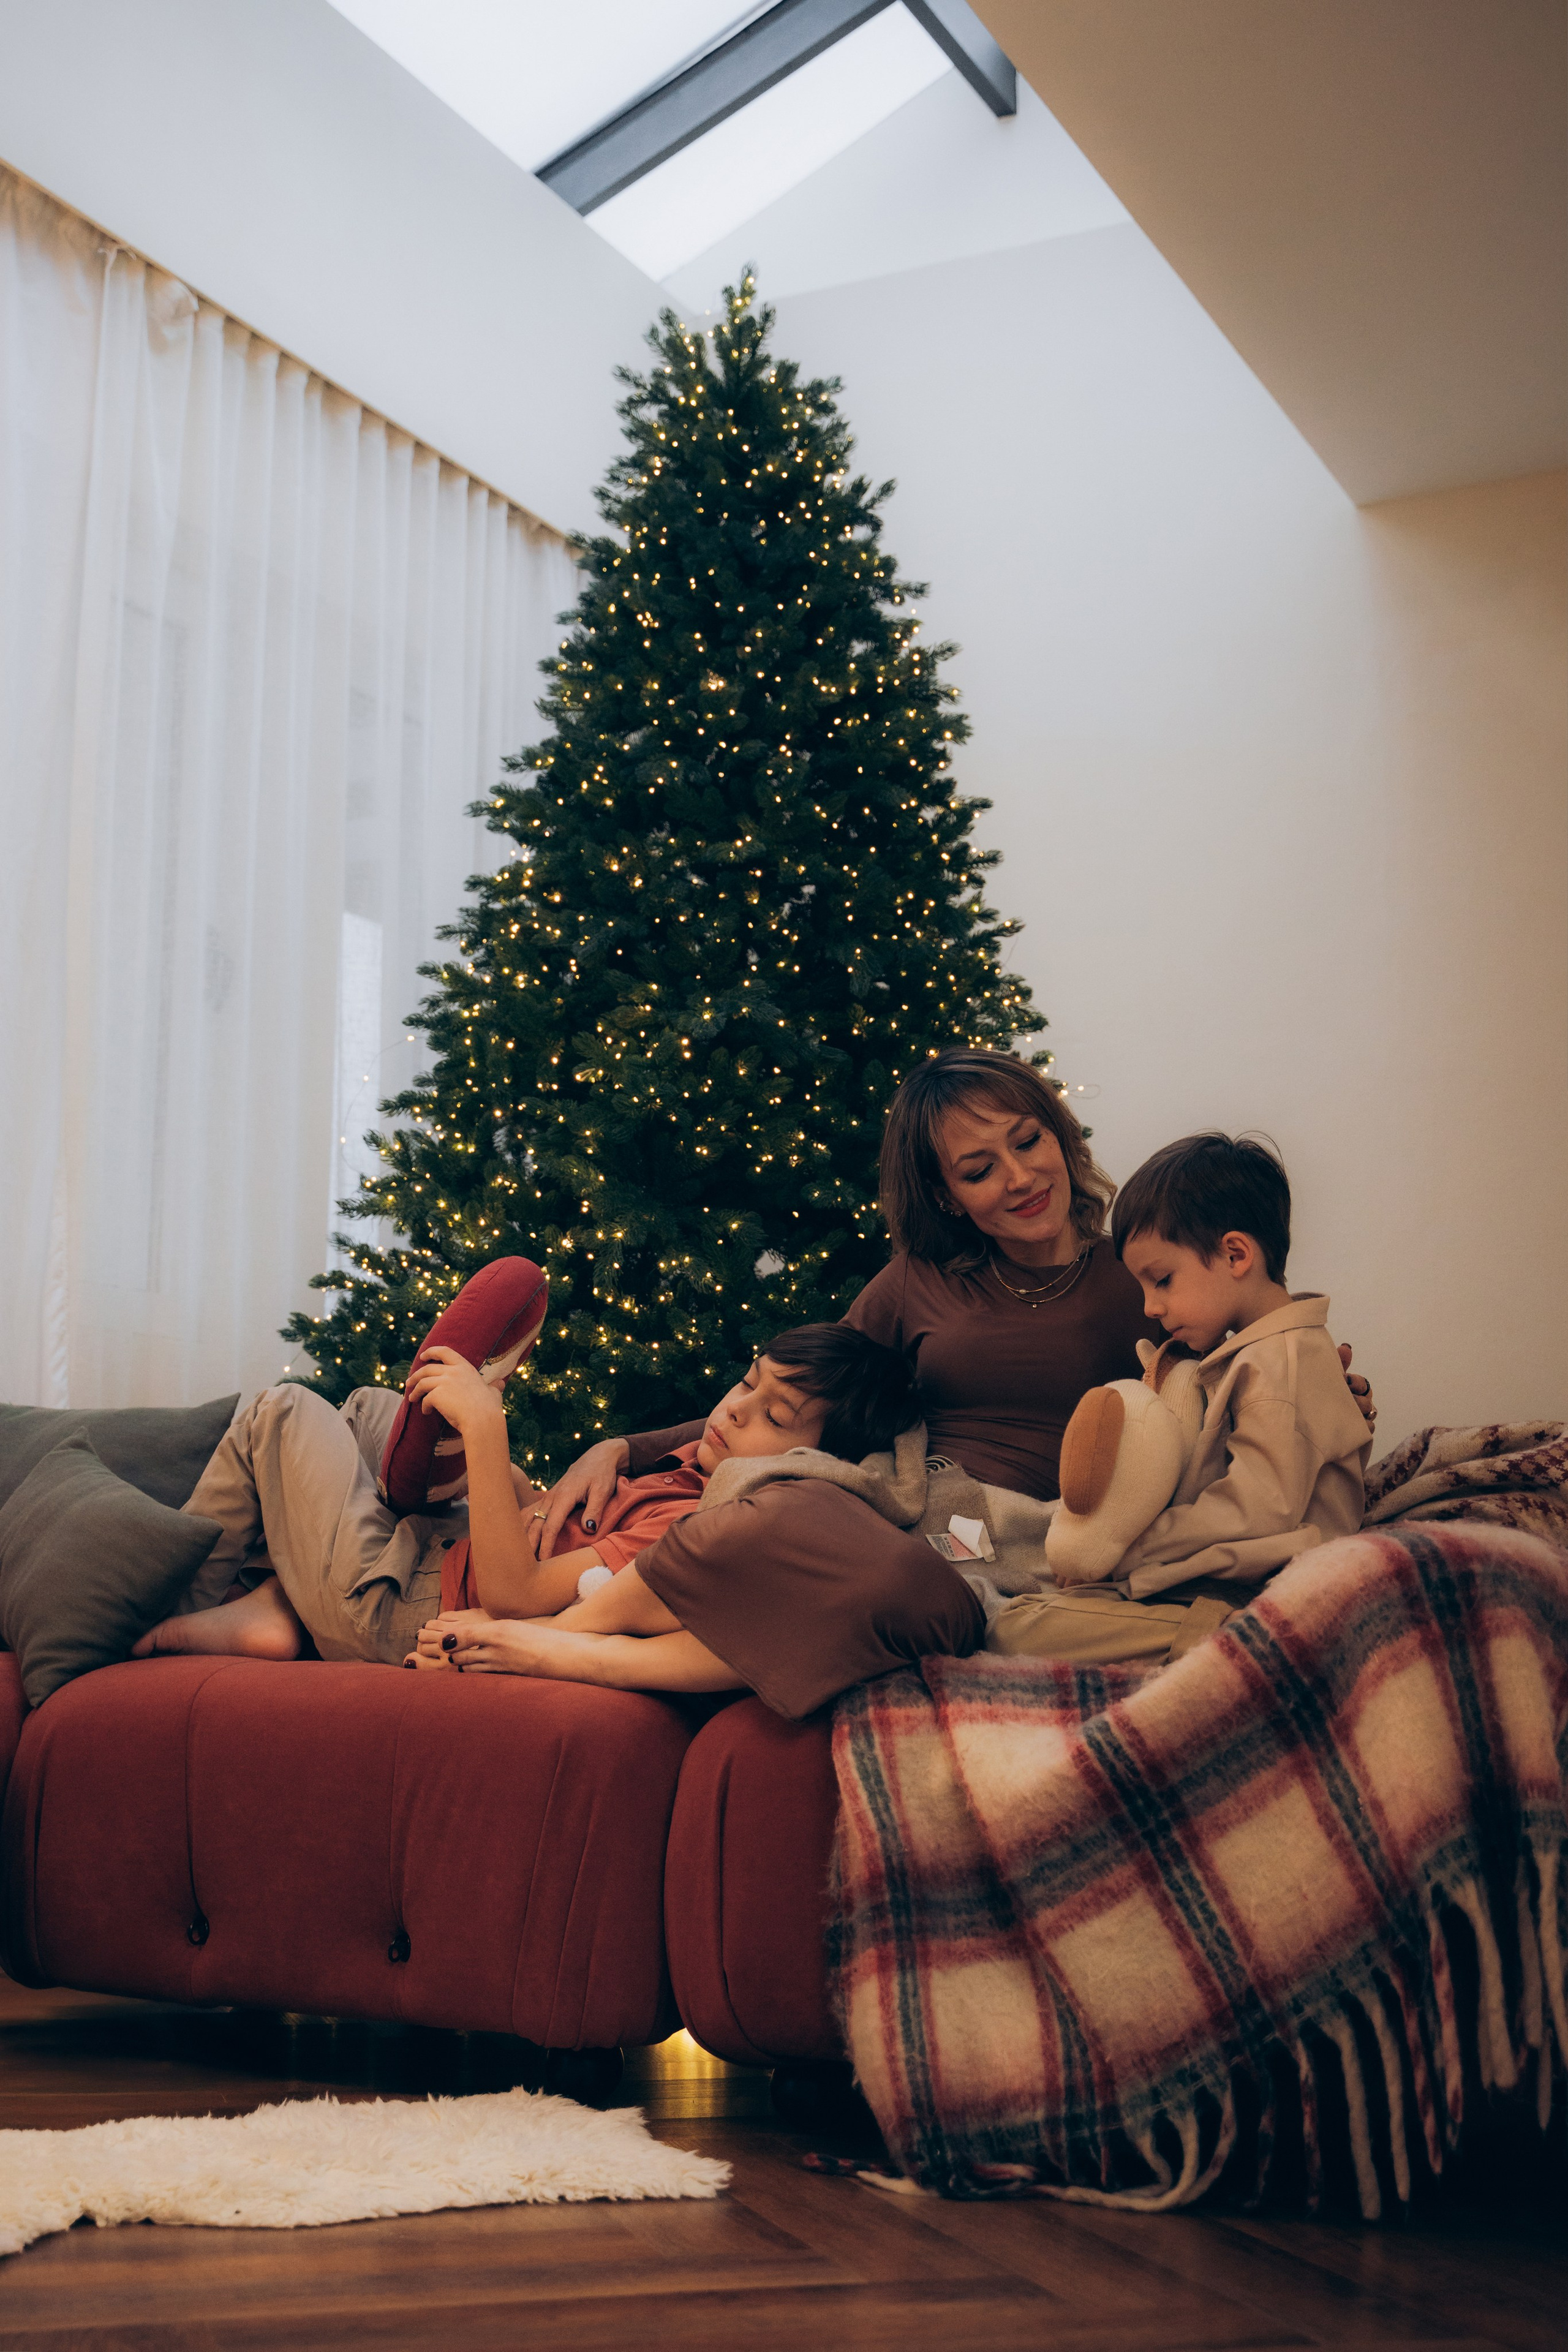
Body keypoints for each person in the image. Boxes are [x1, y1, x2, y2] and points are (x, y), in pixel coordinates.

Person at [527, 1051, 1374, 1697]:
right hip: (908, 1517)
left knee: (892, 1575)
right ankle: (580, 1630)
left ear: (1058, 1130)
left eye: (1028, 1141)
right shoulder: (915, 1284)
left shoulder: (1143, 1280)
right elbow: (802, 1393)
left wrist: (1333, 1392)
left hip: (1029, 1555)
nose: (1020, 1177)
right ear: (945, 1196)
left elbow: (1242, 1373)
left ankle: (589, 1636)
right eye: (979, 1170)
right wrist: (629, 1447)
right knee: (789, 1497)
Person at [990, 1133, 1372, 1664]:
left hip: (1259, 1597)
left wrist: (1131, 1550)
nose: (1150, 1306)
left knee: (1018, 1629)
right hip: (1216, 1580)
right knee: (1042, 1603)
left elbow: (1256, 1512)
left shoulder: (1280, 1361)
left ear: (1236, 1254)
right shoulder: (1253, 1354)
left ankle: (1233, 1647)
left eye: (1162, 1280)